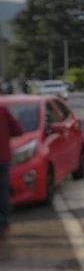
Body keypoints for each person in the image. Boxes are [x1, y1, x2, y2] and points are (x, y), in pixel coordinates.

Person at [1, 104, 24, 246]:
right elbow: (17, 130)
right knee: (2, 192)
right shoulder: (2, 111)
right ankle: (2, 224)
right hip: (2, 158)